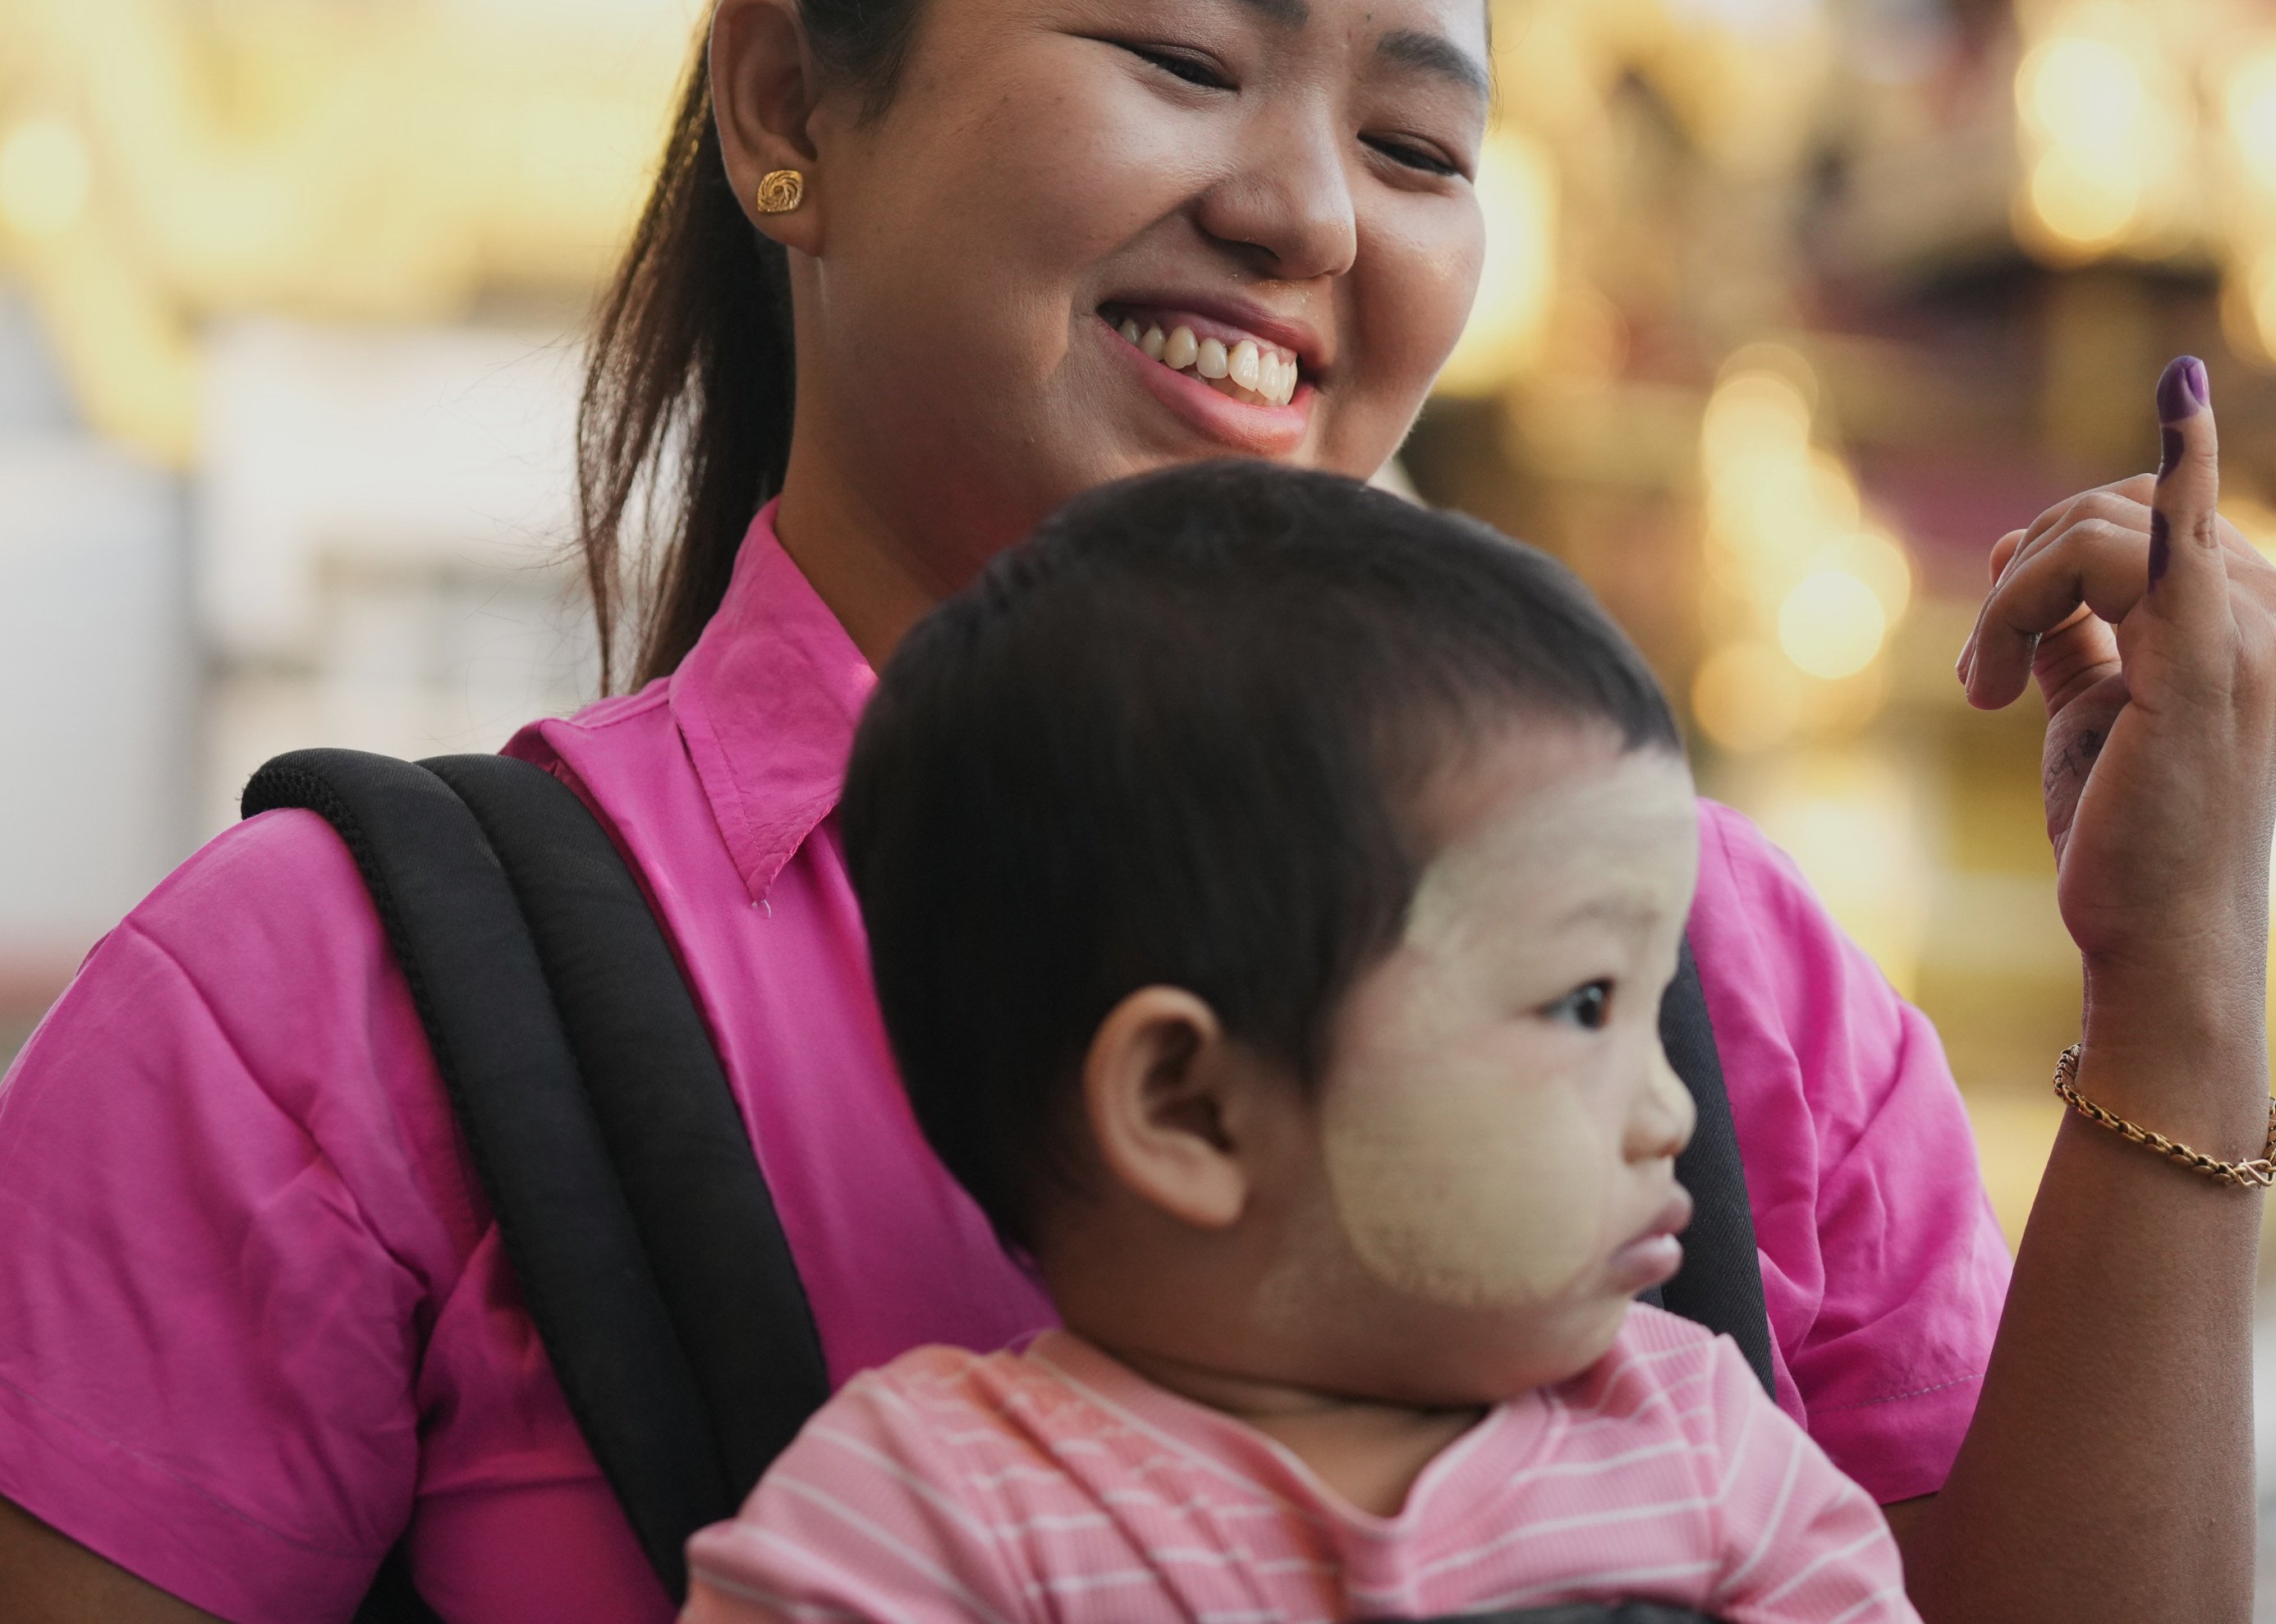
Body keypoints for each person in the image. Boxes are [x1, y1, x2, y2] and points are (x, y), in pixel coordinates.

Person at [0, 0, 2276, 1624]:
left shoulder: (1709, 973)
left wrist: (2183, 985)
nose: (1312, 214)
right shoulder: (315, 1016)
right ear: (788, 110)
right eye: (1182, 55)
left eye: (1417, 141)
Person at [683, 461, 1911, 1624]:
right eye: (1584, 1005)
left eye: (1650, 1006)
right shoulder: (927, 1520)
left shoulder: (1697, 1442)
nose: (1672, 1111)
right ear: (1192, 1107)